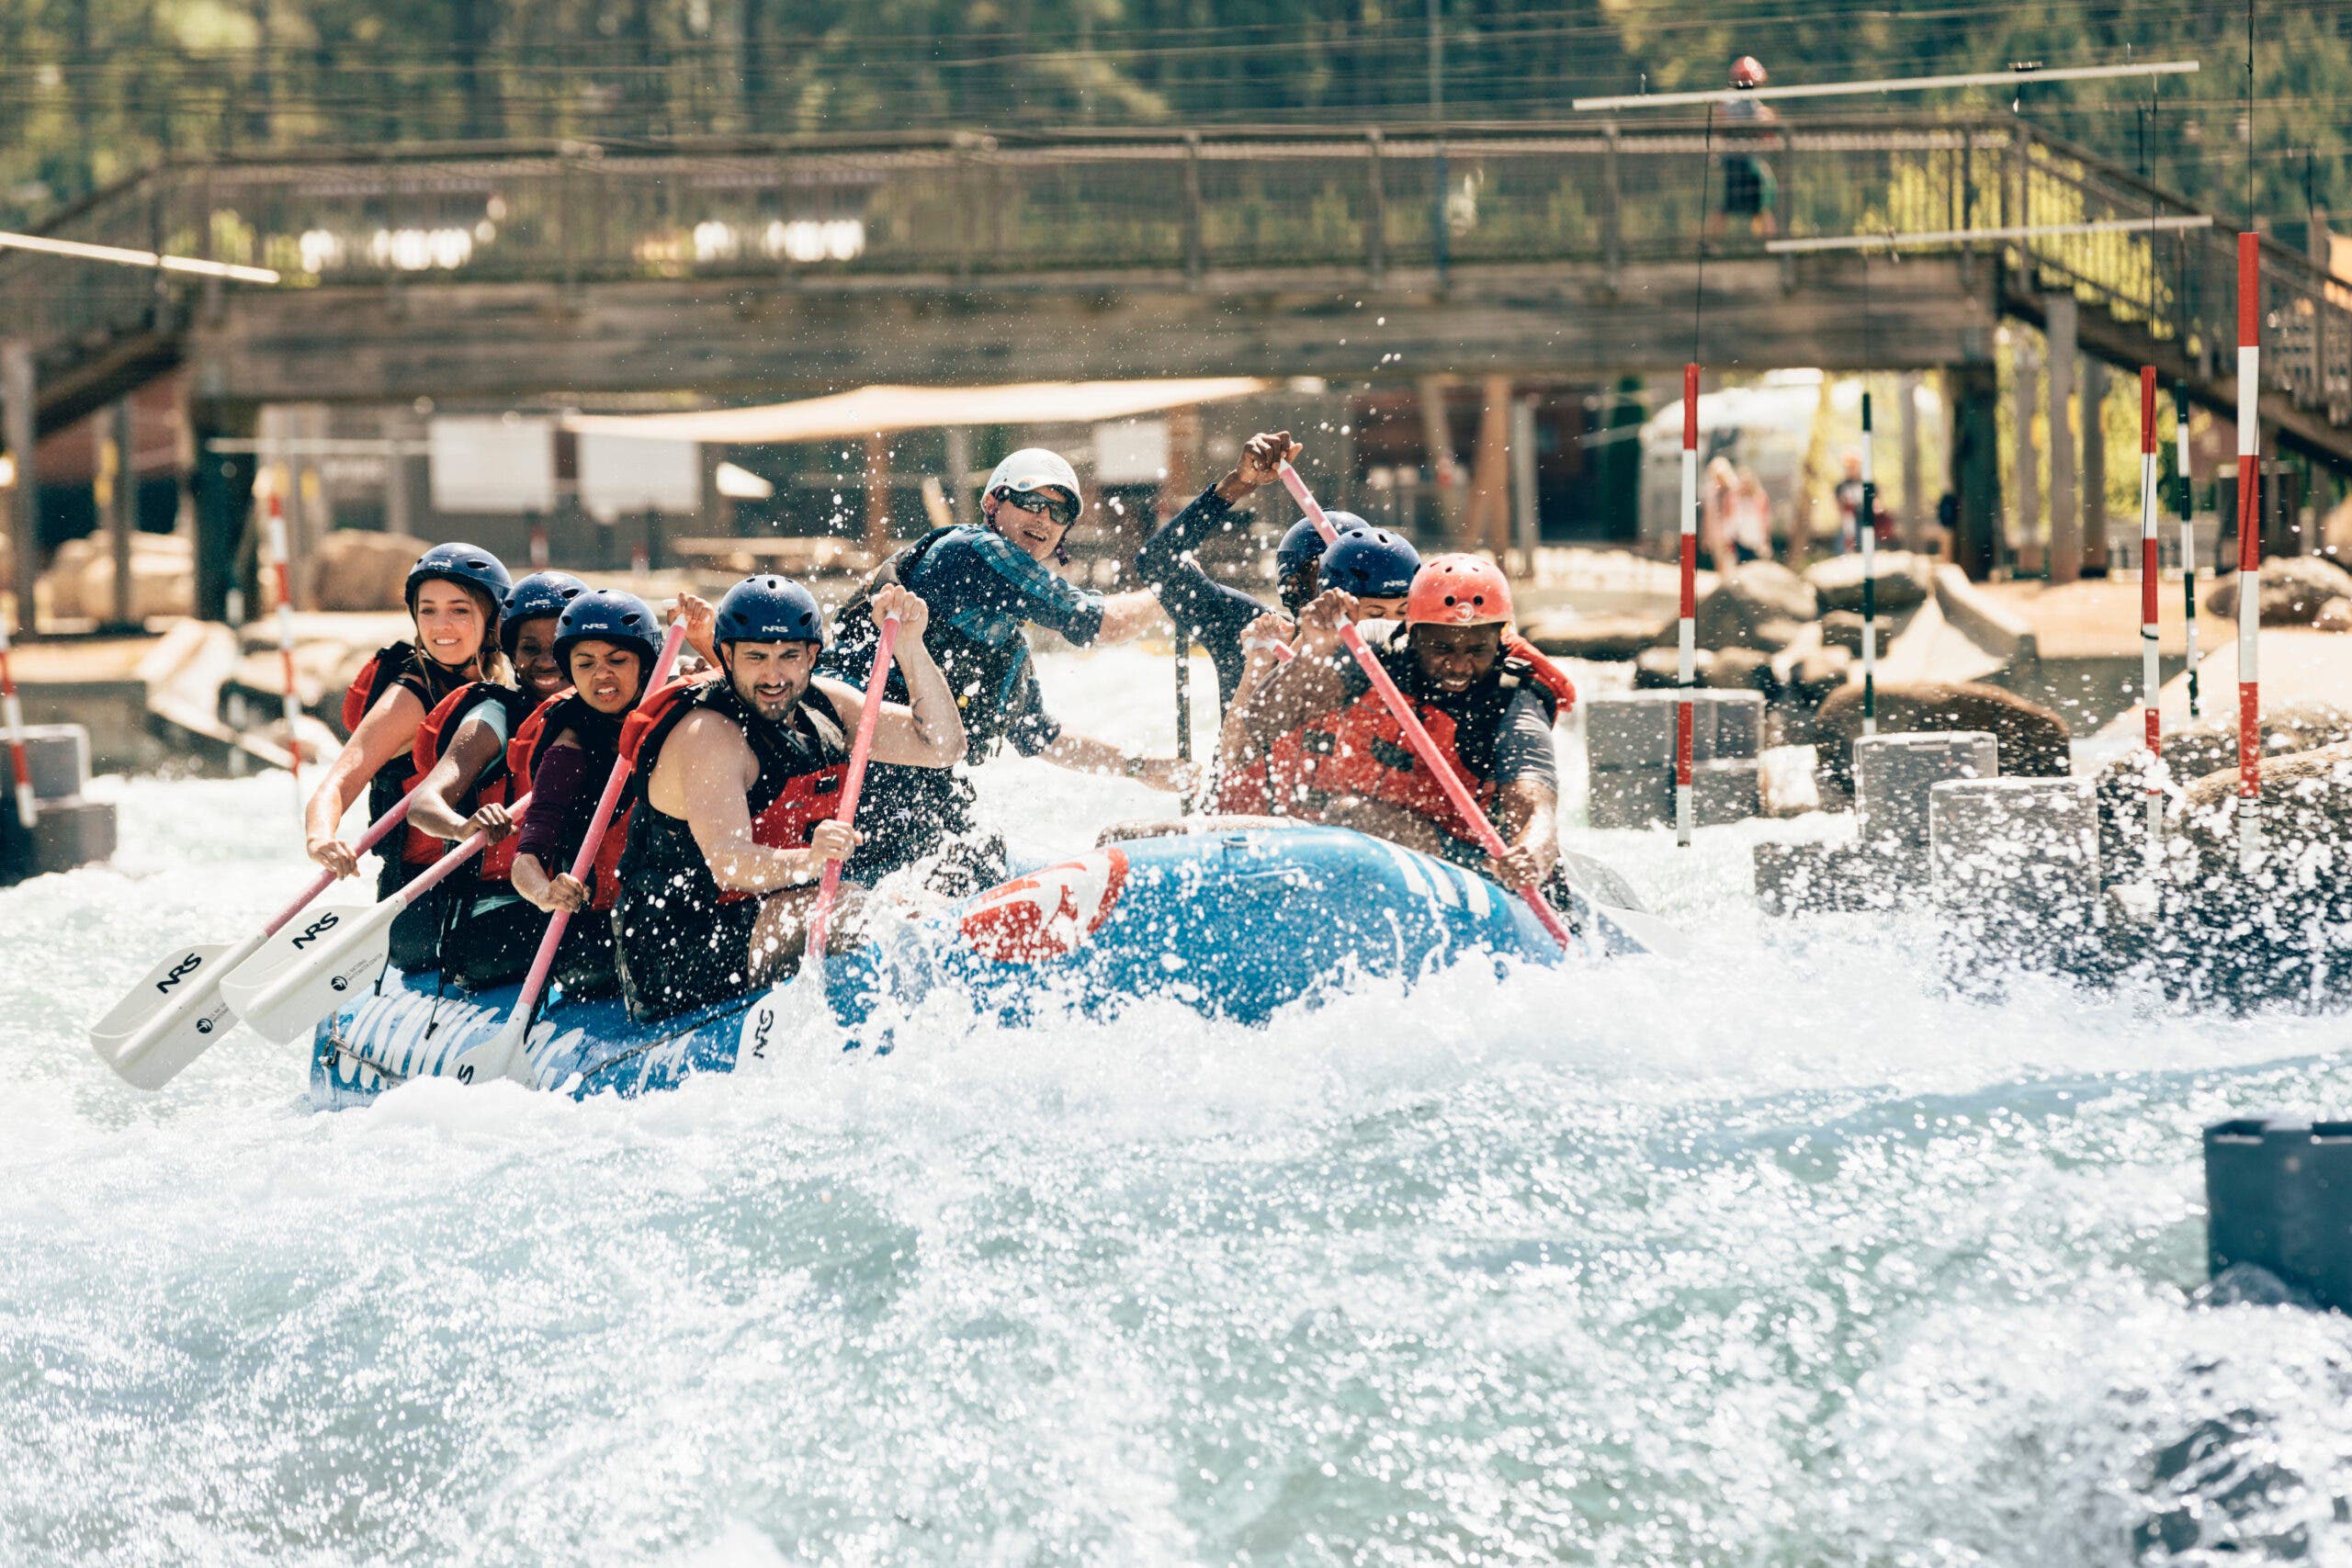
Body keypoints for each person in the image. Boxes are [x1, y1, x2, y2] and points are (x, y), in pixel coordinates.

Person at [822, 446, 1185, 890]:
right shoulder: (970, 553)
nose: (1044, 519)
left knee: (984, 857)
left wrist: (1142, 768)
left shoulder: (1005, 647)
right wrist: (1171, 590)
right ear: (992, 503)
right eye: (1031, 502)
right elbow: (1098, 623)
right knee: (960, 862)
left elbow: (1042, 737)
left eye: (1059, 512)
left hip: (913, 785)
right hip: (847, 767)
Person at [613, 575, 965, 1024]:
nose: (774, 676)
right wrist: (811, 860)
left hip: (771, 912)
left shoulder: (827, 706)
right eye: (756, 657)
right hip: (675, 948)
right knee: (852, 907)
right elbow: (730, 864)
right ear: (727, 657)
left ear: (812, 656)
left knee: (920, 902)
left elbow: (942, 748)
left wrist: (911, 647)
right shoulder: (708, 736)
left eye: (789, 656)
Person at [1225, 554, 1577, 894]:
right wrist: (1315, 653)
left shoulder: (1514, 699)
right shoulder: (1375, 656)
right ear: (1413, 633)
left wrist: (1530, 853)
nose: (1459, 666)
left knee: (1355, 816)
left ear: (1499, 639)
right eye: (1442, 648)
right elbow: (1263, 722)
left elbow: (1536, 809)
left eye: (1476, 650)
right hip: (1379, 845)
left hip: (1482, 867)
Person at [305, 543, 512, 970]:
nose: (441, 626)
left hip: (488, 886)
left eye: (459, 610)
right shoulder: (408, 698)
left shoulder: (501, 681)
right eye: (428, 611)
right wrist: (320, 839)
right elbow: (338, 782)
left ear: (493, 620)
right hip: (424, 903)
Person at [396, 570, 587, 988]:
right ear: (511, 655)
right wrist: (463, 827)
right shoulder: (494, 717)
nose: (546, 661)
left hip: (578, 901)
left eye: (558, 646)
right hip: (496, 918)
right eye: (529, 649)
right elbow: (423, 804)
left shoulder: (616, 709)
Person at [503, 588, 669, 997]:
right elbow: (526, 859)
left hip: (676, 912)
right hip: (599, 937)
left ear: (646, 665)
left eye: (617, 660)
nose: (601, 675)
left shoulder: (680, 716)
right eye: (585, 663)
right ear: (571, 673)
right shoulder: (568, 749)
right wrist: (545, 893)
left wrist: (703, 642)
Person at [1712, 56, 1780, 240]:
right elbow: (1766, 132)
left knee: (1727, 206)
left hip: (1732, 162)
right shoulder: (1752, 107)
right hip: (1746, 163)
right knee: (1764, 202)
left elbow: (1721, 127)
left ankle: (1711, 243)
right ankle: (1771, 243)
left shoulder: (1726, 101)